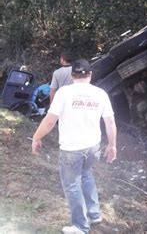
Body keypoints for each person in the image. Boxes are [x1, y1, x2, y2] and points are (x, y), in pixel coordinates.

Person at [31, 59, 117, 234]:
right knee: (86, 175)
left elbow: (49, 121)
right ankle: (94, 214)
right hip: (93, 147)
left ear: (72, 76)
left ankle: (80, 226)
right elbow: (110, 122)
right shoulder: (100, 94)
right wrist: (112, 145)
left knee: (72, 185)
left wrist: (36, 137)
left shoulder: (64, 93)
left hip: (72, 148)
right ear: (90, 75)